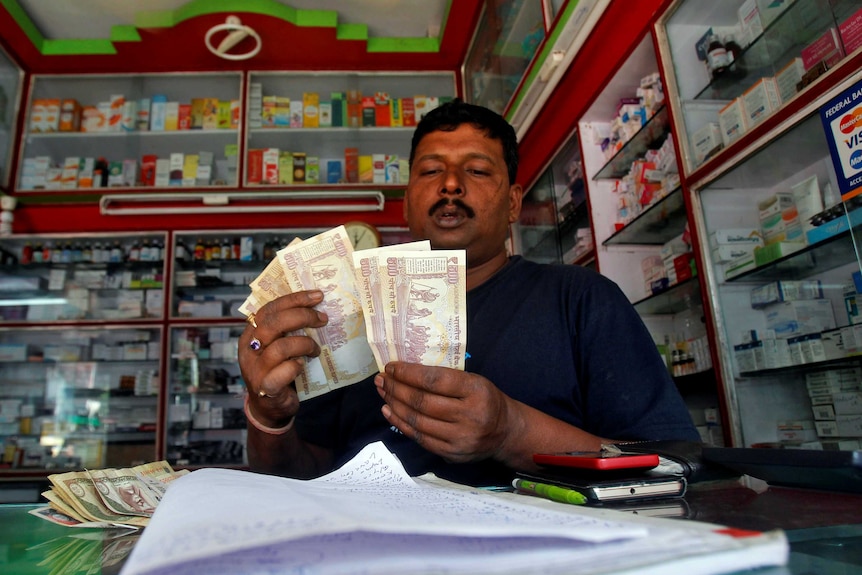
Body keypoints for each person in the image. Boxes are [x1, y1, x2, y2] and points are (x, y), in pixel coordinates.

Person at [238, 99, 700, 487]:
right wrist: (267, 417)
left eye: (477, 170)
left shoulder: (582, 299)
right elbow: (298, 478)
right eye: (431, 170)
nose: (451, 185)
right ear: (406, 202)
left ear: (515, 202)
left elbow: (672, 464)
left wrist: (511, 431)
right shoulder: (342, 316)